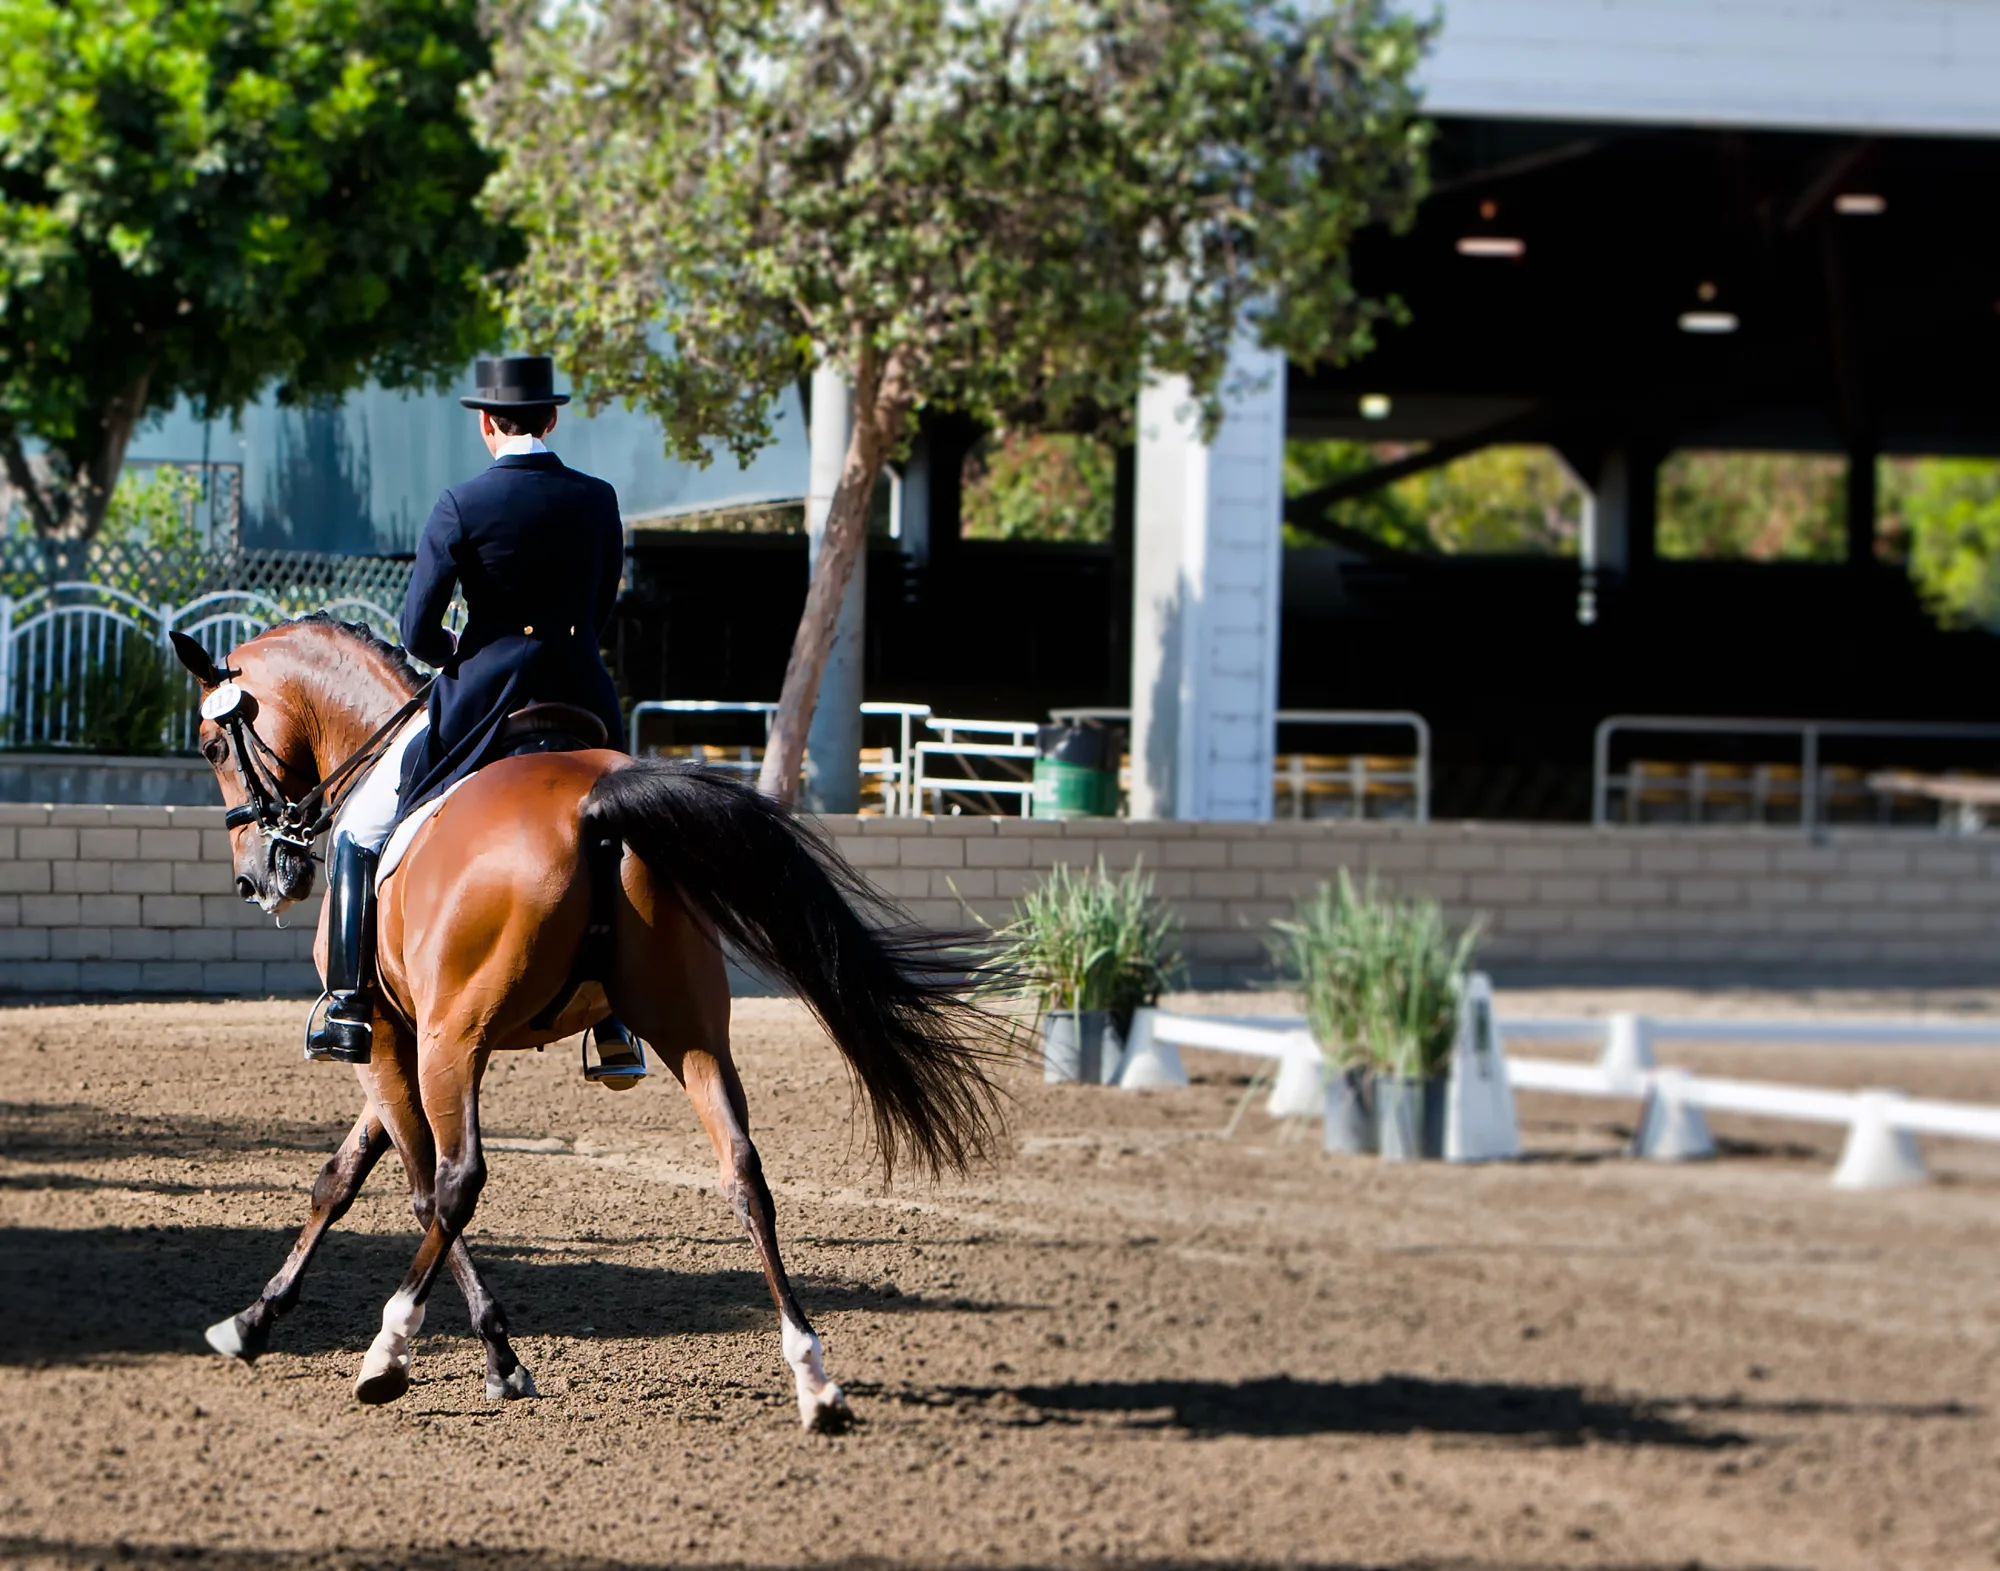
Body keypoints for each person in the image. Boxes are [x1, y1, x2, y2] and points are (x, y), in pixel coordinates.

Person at [306, 355, 638, 1070]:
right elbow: (602, 606)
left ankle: (347, 1004)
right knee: (626, 830)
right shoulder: (599, 498)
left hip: (486, 703)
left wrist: (466, 648)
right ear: (551, 418)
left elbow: (417, 631)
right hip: (585, 695)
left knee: (358, 833)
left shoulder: (462, 503)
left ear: (487, 424)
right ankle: (619, 1020)